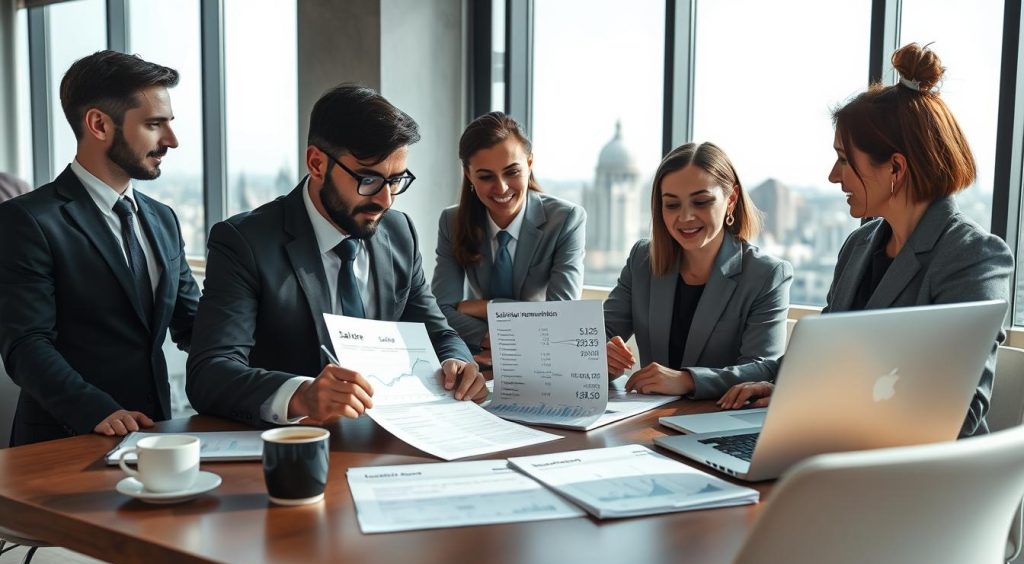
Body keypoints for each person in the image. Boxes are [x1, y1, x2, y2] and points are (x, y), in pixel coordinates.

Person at [717, 43, 1013, 438]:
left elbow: (960, 415)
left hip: (924, 477)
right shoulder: (859, 247)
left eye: (844, 159)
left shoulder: (973, 256)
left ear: (895, 167)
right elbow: (822, 359)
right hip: (839, 447)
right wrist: (783, 387)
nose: (833, 176)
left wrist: (815, 404)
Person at [186, 84, 486, 427]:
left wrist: (459, 363)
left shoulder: (399, 232)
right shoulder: (246, 242)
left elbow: (439, 333)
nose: (386, 200)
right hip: (296, 450)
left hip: (389, 440)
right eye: (369, 179)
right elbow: (209, 374)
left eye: (396, 180)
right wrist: (302, 395)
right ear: (317, 163)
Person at [0, 50, 199, 447]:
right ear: (98, 124)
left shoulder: (163, 219)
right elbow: (26, 345)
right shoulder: (26, 220)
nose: (171, 141)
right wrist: (97, 410)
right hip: (65, 441)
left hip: (155, 436)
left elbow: (197, 323)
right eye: (154, 125)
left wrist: (287, 379)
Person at [603, 142, 793, 399]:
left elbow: (762, 369)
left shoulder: (767, 275)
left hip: (717, 419)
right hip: (643, 417)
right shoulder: (642, 260)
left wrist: (688, 381)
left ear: (731, 200)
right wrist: (601, 357)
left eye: (701, 202)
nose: (685, 217)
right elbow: (598, 334)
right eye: (671, 205)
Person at [432, 111, 585, 363]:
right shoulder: (452, 222)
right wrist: (497, 340)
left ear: (530, 164)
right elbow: (440, 311)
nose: (501, 187)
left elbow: (562, 317)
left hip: (544, 360)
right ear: (469, 175)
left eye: (512, 172)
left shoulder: (566, 220)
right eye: (486, 176)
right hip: (481, 358)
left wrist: (485, 306)